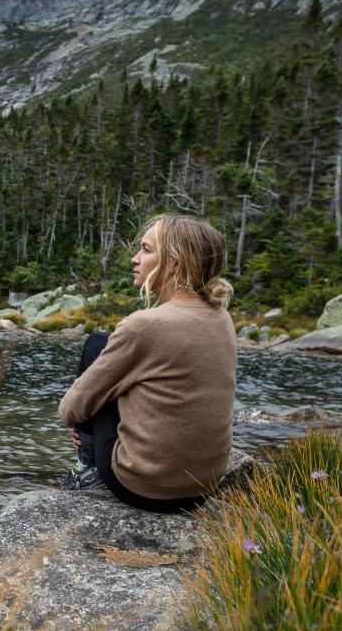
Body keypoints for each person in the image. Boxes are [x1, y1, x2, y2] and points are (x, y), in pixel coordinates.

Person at [57, 213, 236, 513]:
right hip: (202, 488)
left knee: (96, 344)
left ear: (175, 263)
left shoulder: (144, 326)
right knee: (123, 370)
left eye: (146, 250)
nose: (135, 259)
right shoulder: (222, 317)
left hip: (143, 487)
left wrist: (87, 423)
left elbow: (70, 410)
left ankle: (86, 467)